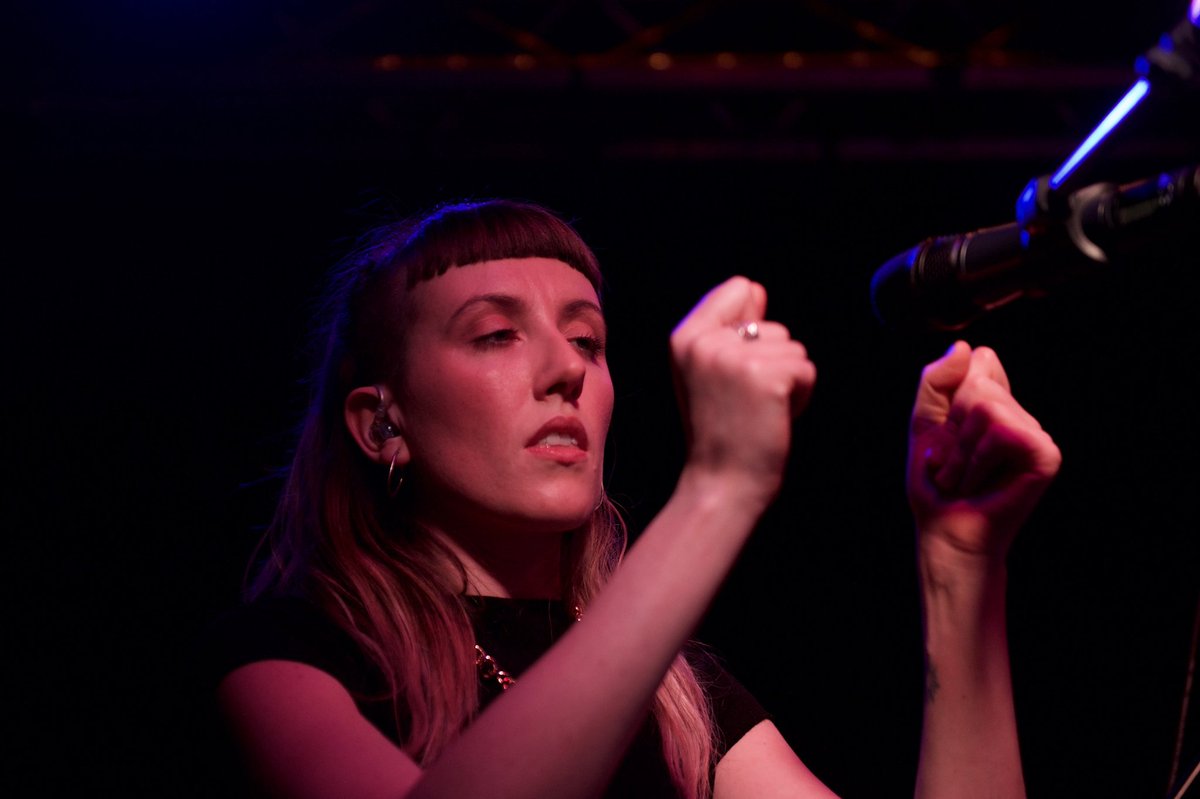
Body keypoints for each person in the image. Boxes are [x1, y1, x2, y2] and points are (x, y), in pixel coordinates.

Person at [205, 198, 1061, 798]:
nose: (568, 368)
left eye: (587, 338)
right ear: (382, 424)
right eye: (496, 334)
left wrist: (962, 564)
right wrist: (718, 488)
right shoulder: (293, 661)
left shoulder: (681, 698)